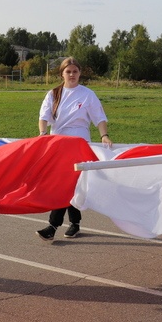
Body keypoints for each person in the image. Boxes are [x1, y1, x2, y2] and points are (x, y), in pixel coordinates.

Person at [36, 57, 111, 242]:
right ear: (62, 73)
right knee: (68, 185)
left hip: (79, 144)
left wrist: (104, 136)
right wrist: (43, 133)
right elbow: (43, 116)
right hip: (58, 144)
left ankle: (53, 226)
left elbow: (99, 117)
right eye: (68, 71)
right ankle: (74, 223)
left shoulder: (87, 94)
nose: (72, 75)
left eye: (75, 71)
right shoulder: (53, 94)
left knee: (68, 184)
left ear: (80, 73)